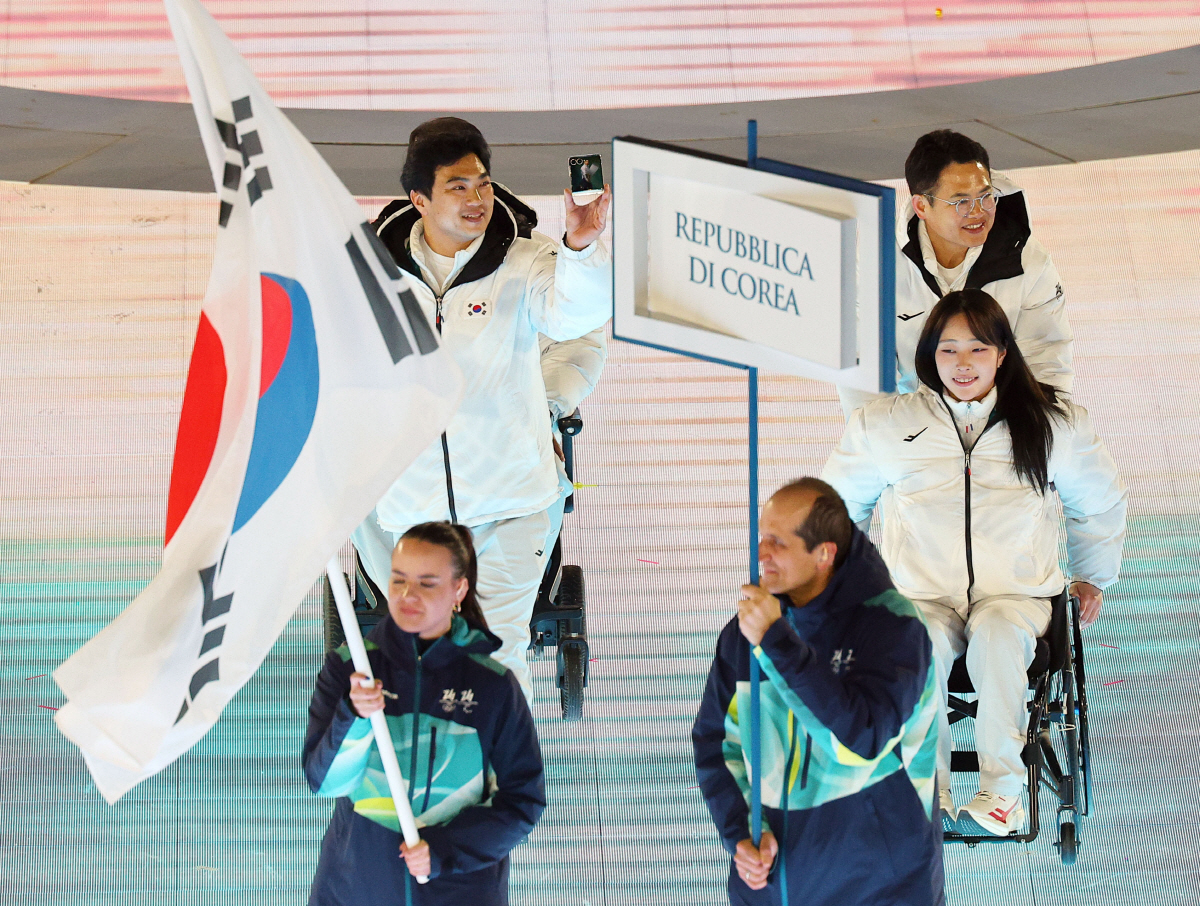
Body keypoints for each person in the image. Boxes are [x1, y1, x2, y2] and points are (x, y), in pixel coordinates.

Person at [822, 288, 1126, 835]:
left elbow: (1097, 503)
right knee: (918, 638)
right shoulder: (885, 426)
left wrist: (1091, 577)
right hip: (922, 595)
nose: (963, 365)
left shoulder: (1054, 423)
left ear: (1003, 353)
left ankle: (1002, 796)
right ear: (929, 356)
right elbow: (838, 512)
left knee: (996, 631)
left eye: (978, 350)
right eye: (948, 351)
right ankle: (924, 796)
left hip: (1017, 598)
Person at [351, 117, 612, 702]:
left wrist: (582, 244)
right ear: (420, 199)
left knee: (499, 656)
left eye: (484, 183)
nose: (477, 199)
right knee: (416, 650)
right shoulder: (372, 275)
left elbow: (574, 317)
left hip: (513, 504)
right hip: (411, 513)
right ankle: (431, 766)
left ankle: (500, 778)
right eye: (459, 187)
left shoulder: (523, 260)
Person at [692, 478, 944, 906]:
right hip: (772, 889)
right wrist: (740, 834)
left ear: (824, 554)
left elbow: (861, 742)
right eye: (759, 537)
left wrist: (778, 644)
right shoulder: (746, 632)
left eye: (777, 543)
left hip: (882, 891)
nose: (760, 555)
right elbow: (716, 744)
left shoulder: (892, 628)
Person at [304, 522, 545, 906]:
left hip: (460, 892)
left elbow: (522, 802)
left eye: (427, 583)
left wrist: (444, 850)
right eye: (398, 580)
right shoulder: (351, 669)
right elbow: (324, 781)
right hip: (354, 888)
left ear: (458, 590)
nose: (407, 595)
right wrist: (354, 717)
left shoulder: (493, 688)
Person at [838, 129, 1073, 417]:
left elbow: (1046, 356)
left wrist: (1036, 432)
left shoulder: (1028, 261)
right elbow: (863, 371)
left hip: (1004, 424)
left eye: (986, 197)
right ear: (922, 206)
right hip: (918, 425)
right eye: (961, 202)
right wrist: (888, 443)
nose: (978, 213)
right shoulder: (877, 264)